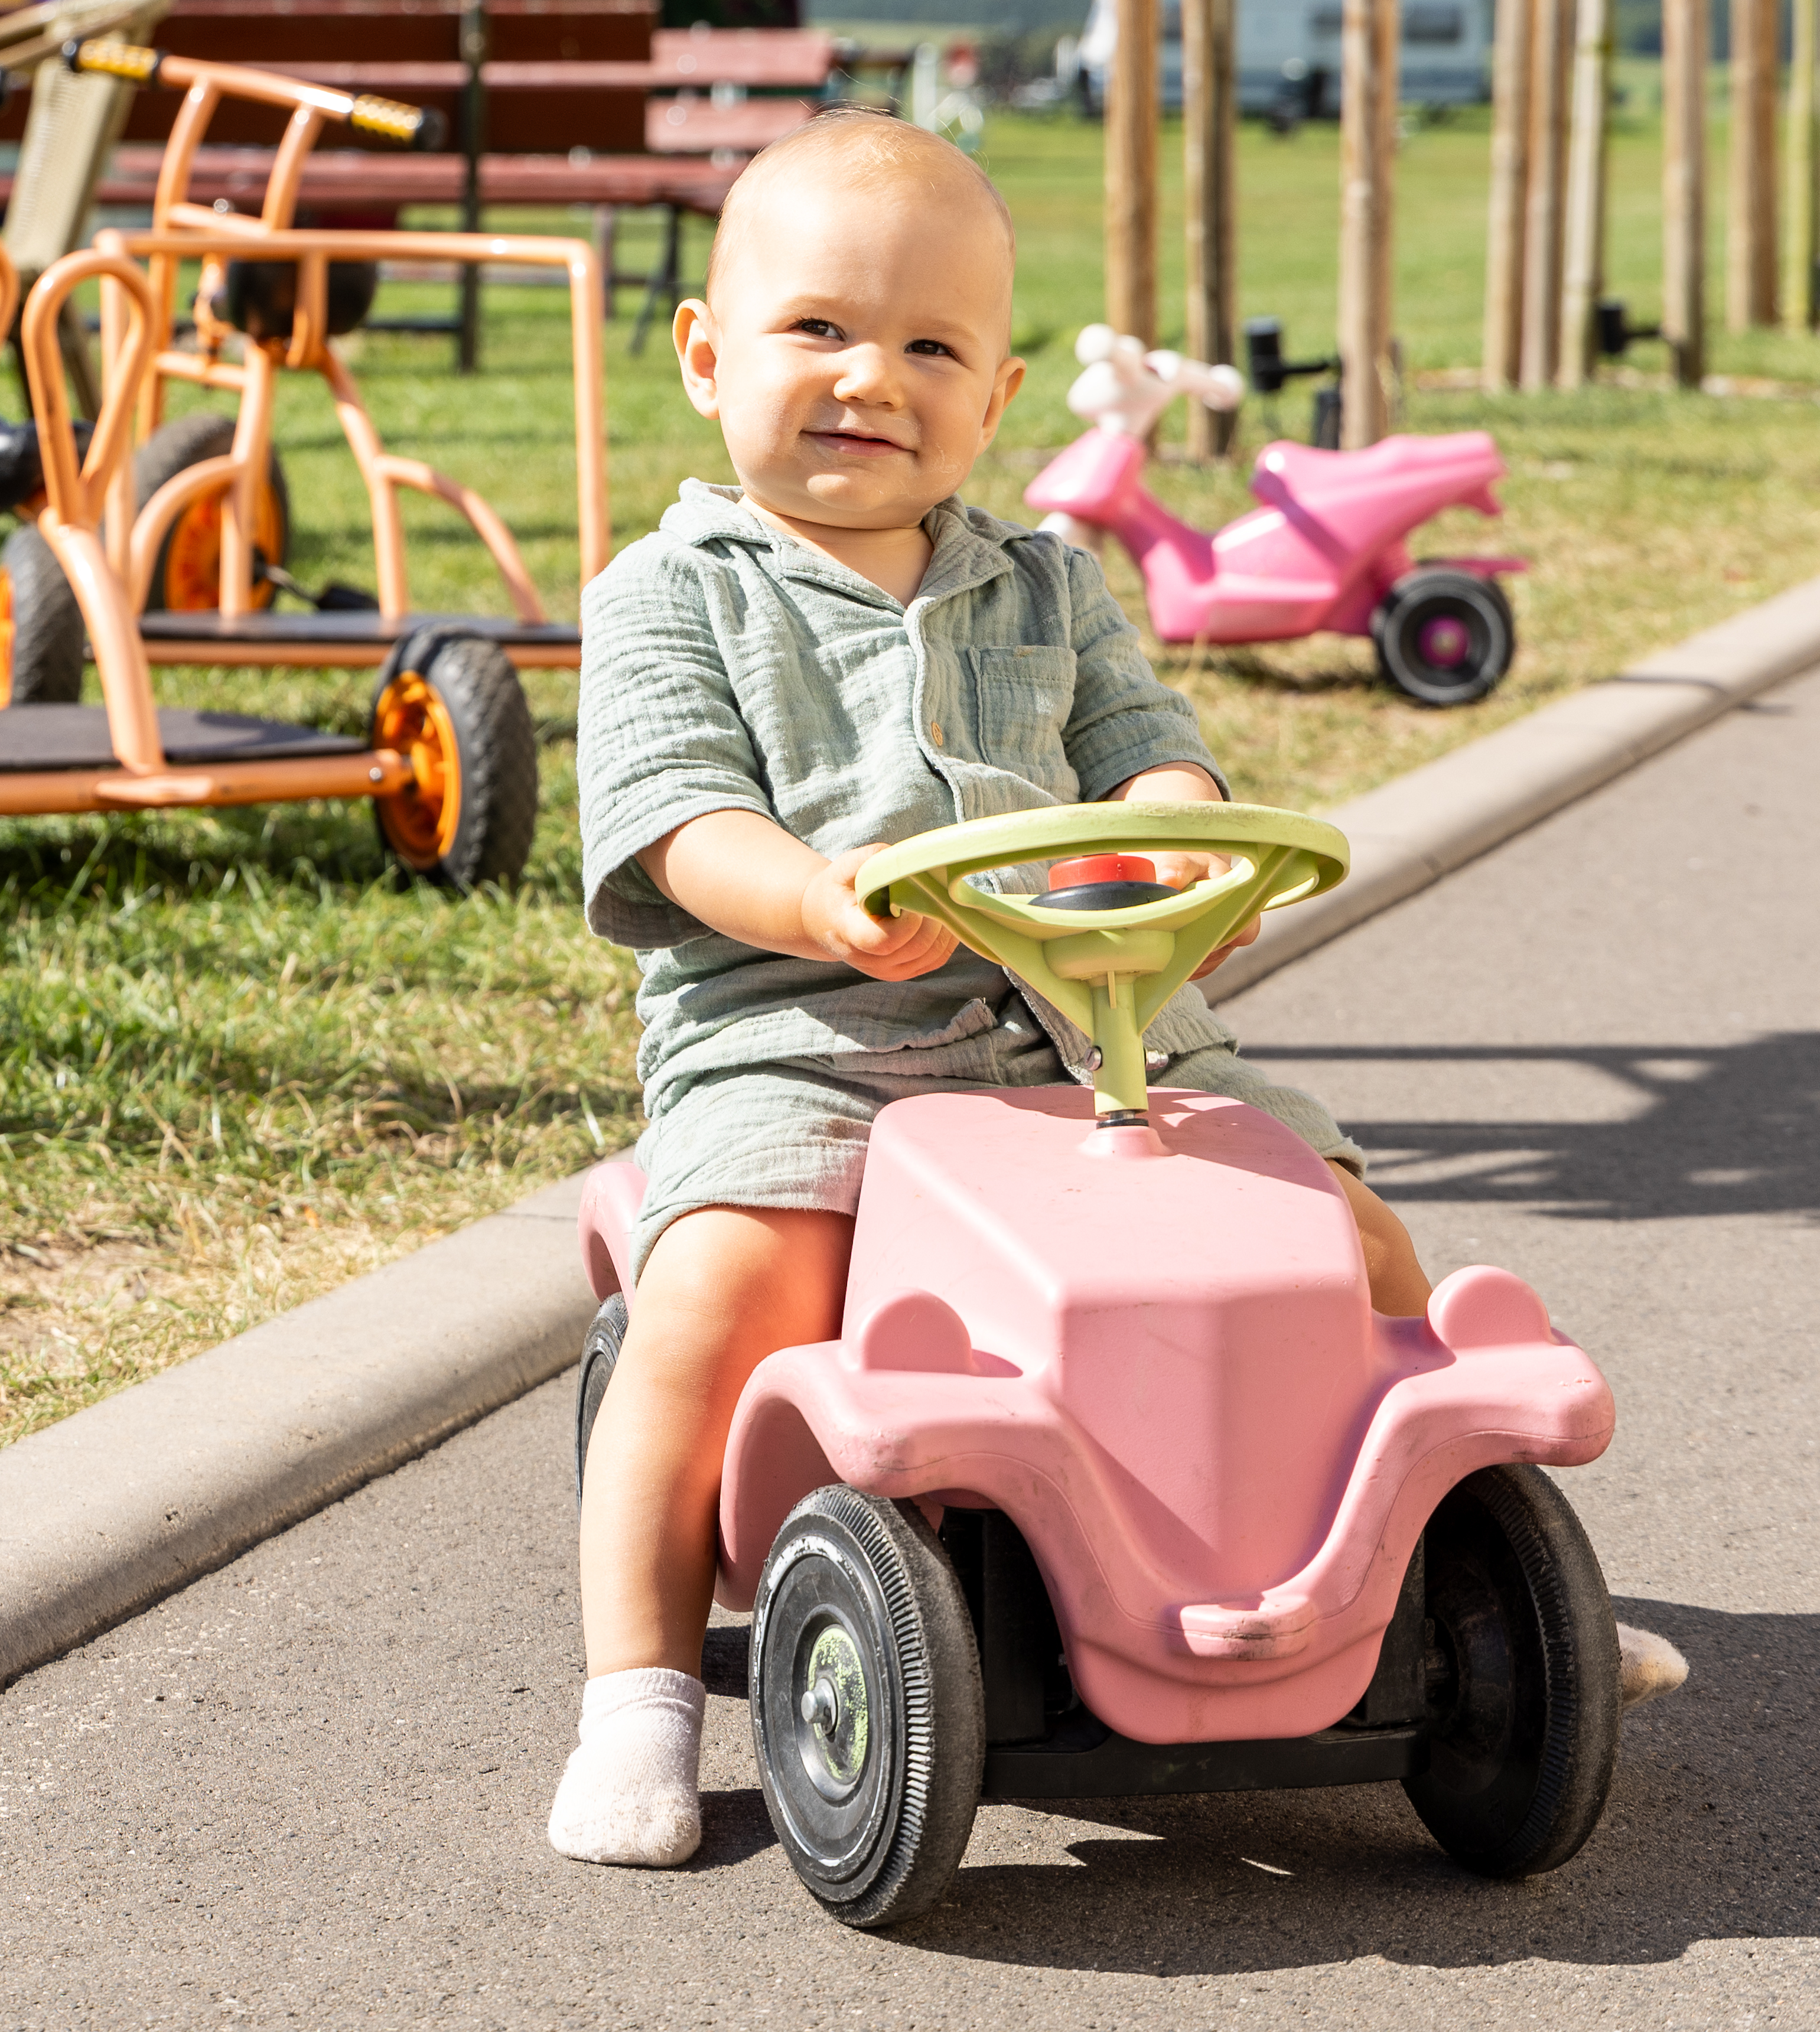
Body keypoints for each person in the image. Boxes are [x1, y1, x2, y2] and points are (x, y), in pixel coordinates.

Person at [549, 109, 1668, 1870]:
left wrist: (1181, 856)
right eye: (820, 329)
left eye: (931, 347)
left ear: (995, 400)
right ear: (708, 355)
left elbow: (1155, 764)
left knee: (1352, 1248)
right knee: (717, 1298)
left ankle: (1462, 1576)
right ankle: (639, 1691)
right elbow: (677, 821)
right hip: (813, 1038)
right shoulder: (670, 596)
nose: (873, 379)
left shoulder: (1051, 585)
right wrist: (820, 899)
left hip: (1097, 1034)